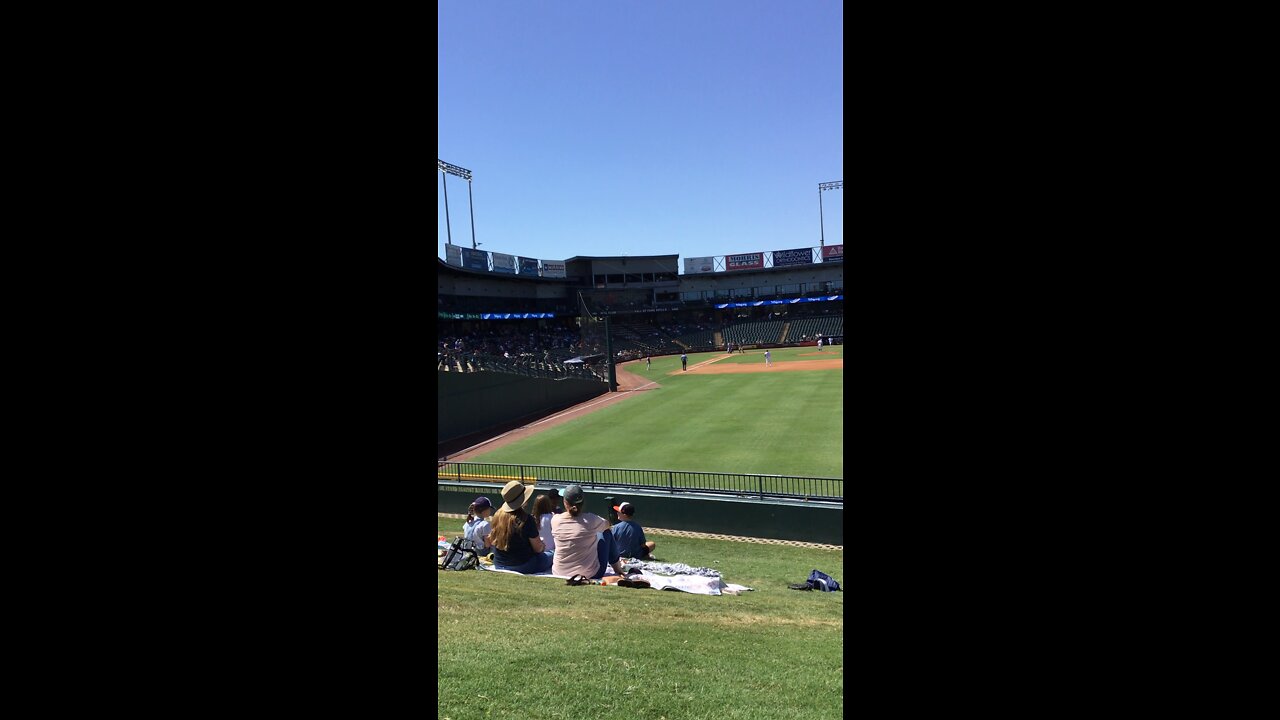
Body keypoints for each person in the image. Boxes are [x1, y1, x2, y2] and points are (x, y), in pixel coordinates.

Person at [552, 484, 624, 580]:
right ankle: (618, 569)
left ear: (565, 502)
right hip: (590, 573)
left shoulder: (555, 519)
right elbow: (607, 525)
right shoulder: (592, 519)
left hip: (559, 572)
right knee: (606, 533)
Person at [490, 480, 553, 574]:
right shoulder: (527, 519)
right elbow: (538, 548)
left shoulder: (497, 516)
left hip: (499, 564)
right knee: (554, 554)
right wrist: (542, 546)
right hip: (523, 565)